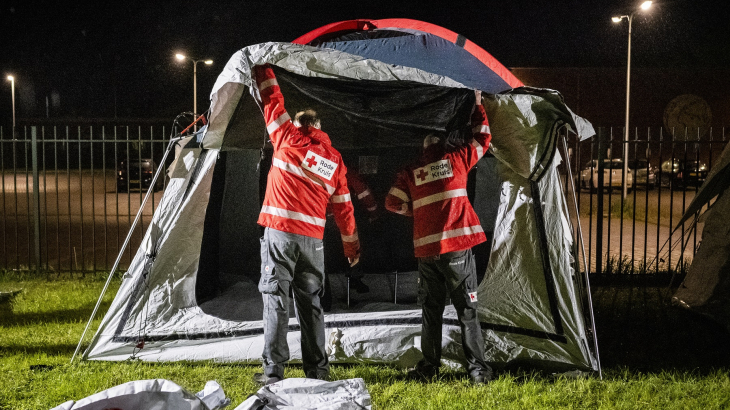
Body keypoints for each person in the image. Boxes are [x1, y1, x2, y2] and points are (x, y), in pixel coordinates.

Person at [253, 64, 360, 385]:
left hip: (280, 235)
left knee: (276, 299)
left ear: (298, 124)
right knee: (311, 304)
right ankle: (318, 371)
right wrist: (351, 247)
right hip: (313, 242)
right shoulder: (334, 160)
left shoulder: (286, 137)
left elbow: (272, 98)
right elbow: (344, 209)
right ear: (320, 127)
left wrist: (262, 64)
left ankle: (274, 372)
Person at [384, 90, 493, 385]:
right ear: (441, 143)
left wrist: (417, 212)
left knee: (430, 311)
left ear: (422, 149)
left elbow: (391, 203)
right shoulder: (456, 158)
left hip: (427, 252)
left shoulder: (411, 170)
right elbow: (483, 139)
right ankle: (478, 372)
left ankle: (429, 367)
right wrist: (479, 105)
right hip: (457, 248)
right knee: (467, 309)